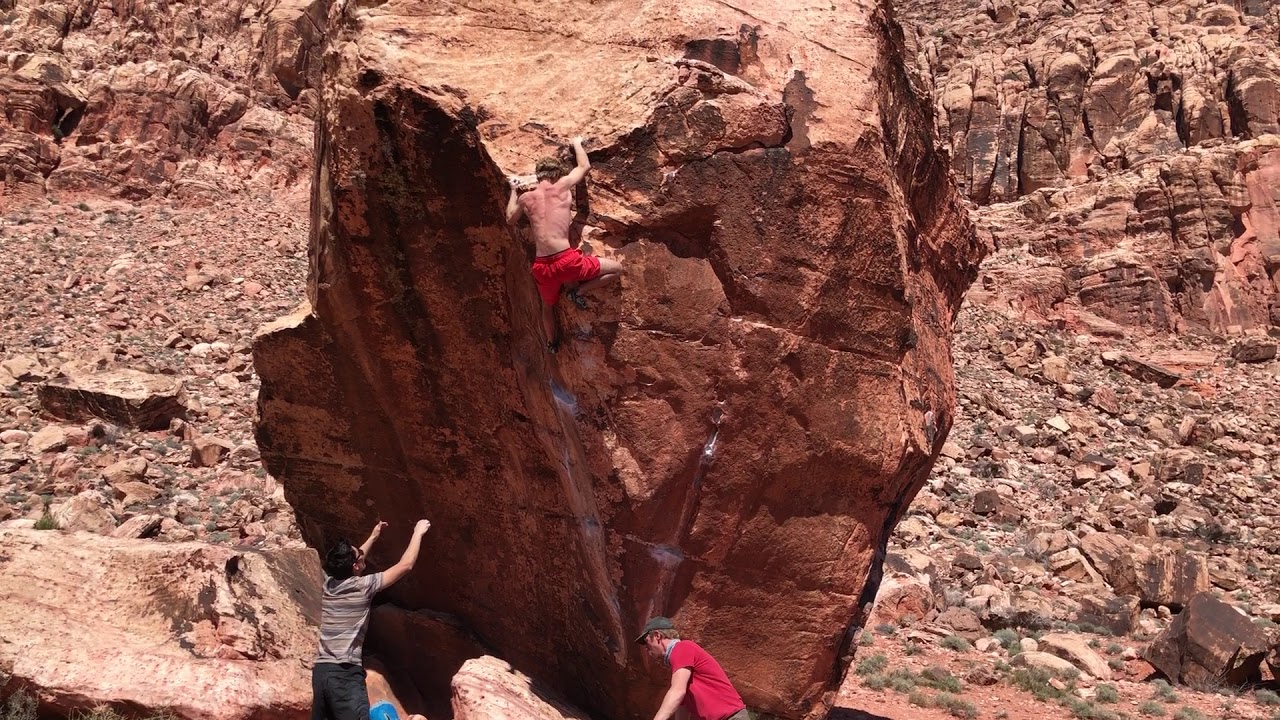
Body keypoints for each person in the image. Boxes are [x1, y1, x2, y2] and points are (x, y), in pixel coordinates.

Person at [506, 136, 624, 353]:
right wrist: (577, 143)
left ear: (538, 175)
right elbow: (584, 166)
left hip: (542, 267)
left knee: (547, 306)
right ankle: (578, 292)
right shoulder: (563, 185)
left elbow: (510, 219)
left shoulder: (527, 198)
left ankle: (551, 344)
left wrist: (514, 190)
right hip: (567, 262)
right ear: (557, 173)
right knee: (616, 270)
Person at [312, 518, 431, 720]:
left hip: (322, 673)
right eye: (359, 556)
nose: (361, 554)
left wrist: (374, 536)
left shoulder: (330, 585)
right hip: (345, 674)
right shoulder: (363, 587)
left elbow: (352, 563)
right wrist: (417, 533)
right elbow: (405, 565)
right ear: (357, 566)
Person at [637, 617, 749, 720]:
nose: (647, 648)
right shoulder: (679, 664)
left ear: (657, 636)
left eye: (646, 641)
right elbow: (682, 705)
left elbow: (677, 692)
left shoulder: (682, 648)